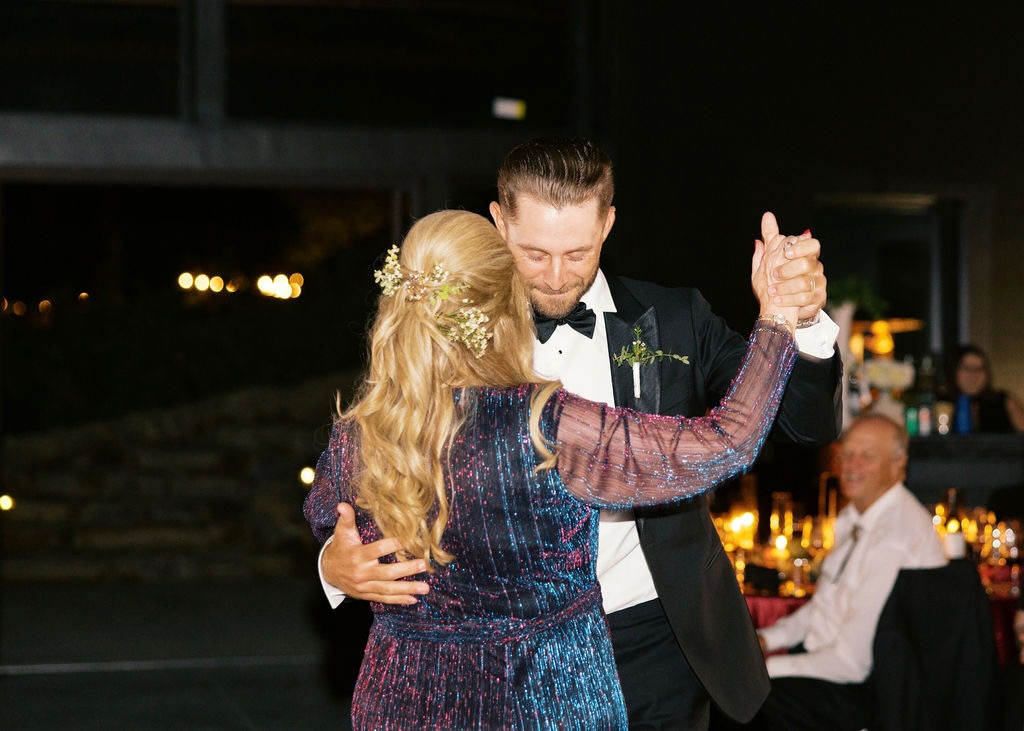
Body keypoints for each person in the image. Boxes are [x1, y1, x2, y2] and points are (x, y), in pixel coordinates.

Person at [317, 136, 844, 729]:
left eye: (577, 253)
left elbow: (802, 424)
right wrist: (333, 567)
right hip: (496, 669)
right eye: (534, 253)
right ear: (498, 223)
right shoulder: (445, 337)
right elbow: (356, 490)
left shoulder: (676, 318)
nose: (555, 276)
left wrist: (801, 321)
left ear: (608, 225)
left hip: (652, 636)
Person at [749, 413, 947, 731]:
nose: (851, 465)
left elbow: (851, 663)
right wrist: (766, 639)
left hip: (868, 691)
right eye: (847, 453)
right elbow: (826, 605)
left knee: (741, 701)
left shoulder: (895, 535)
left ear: (898, 464)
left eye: (867, 456)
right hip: (831, 667)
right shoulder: (855, 516)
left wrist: (765, 668)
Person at [951, 343, 1024, 433]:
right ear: (954, 372)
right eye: (967, 368)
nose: (973, 375)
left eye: (979, 369)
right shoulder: (943, 406)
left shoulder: (1005, 402)